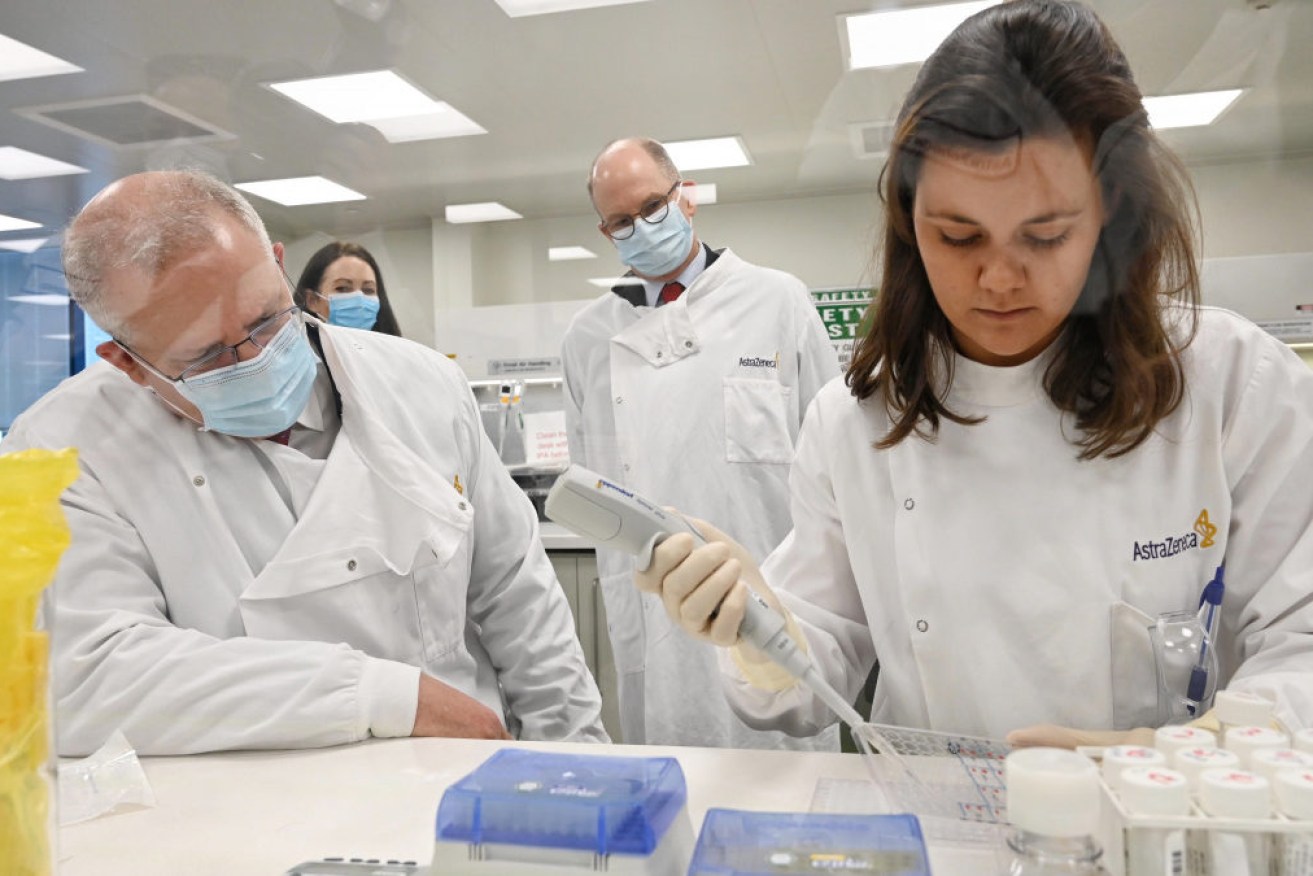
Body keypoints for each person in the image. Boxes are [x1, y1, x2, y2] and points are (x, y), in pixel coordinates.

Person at [636, 0, 1313, 746]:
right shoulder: (854, 419)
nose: (996, 279)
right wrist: (754, 623)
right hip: (940, 837)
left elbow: (1300, 650)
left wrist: (1163, 762)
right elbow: (802, 690)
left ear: (1110, 215)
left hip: (1166, 834)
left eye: (1045, 235)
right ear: (906, 219)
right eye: (957, 236)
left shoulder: (1234, 388)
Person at [1, 170, 607, 755]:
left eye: (267, 319)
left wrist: (575, 756)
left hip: (462, 774)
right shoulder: (59, 451)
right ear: (127, 362)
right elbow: (84, 678)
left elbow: (519, 599)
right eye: (209, 356)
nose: (255, 360)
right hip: (249, 824)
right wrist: (379, 695)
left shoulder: (422, 383)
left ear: (280, 264)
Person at [561, 137, 841, 749]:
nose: (641, 228)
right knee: (675, 793)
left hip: (773, 593)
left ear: (685, 197)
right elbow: (594, 489)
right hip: (654, 612)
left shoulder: (777, 300)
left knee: (789, 788)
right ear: (606, 233)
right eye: (621, 222)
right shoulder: (588, 338)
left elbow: (837, 457)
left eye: (653, 206)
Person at [295, 240, 403, 336]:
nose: (359, 298)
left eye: (368, 290)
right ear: (312, 300)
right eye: (343, 288)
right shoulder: (296, 357)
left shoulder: (399, 354)